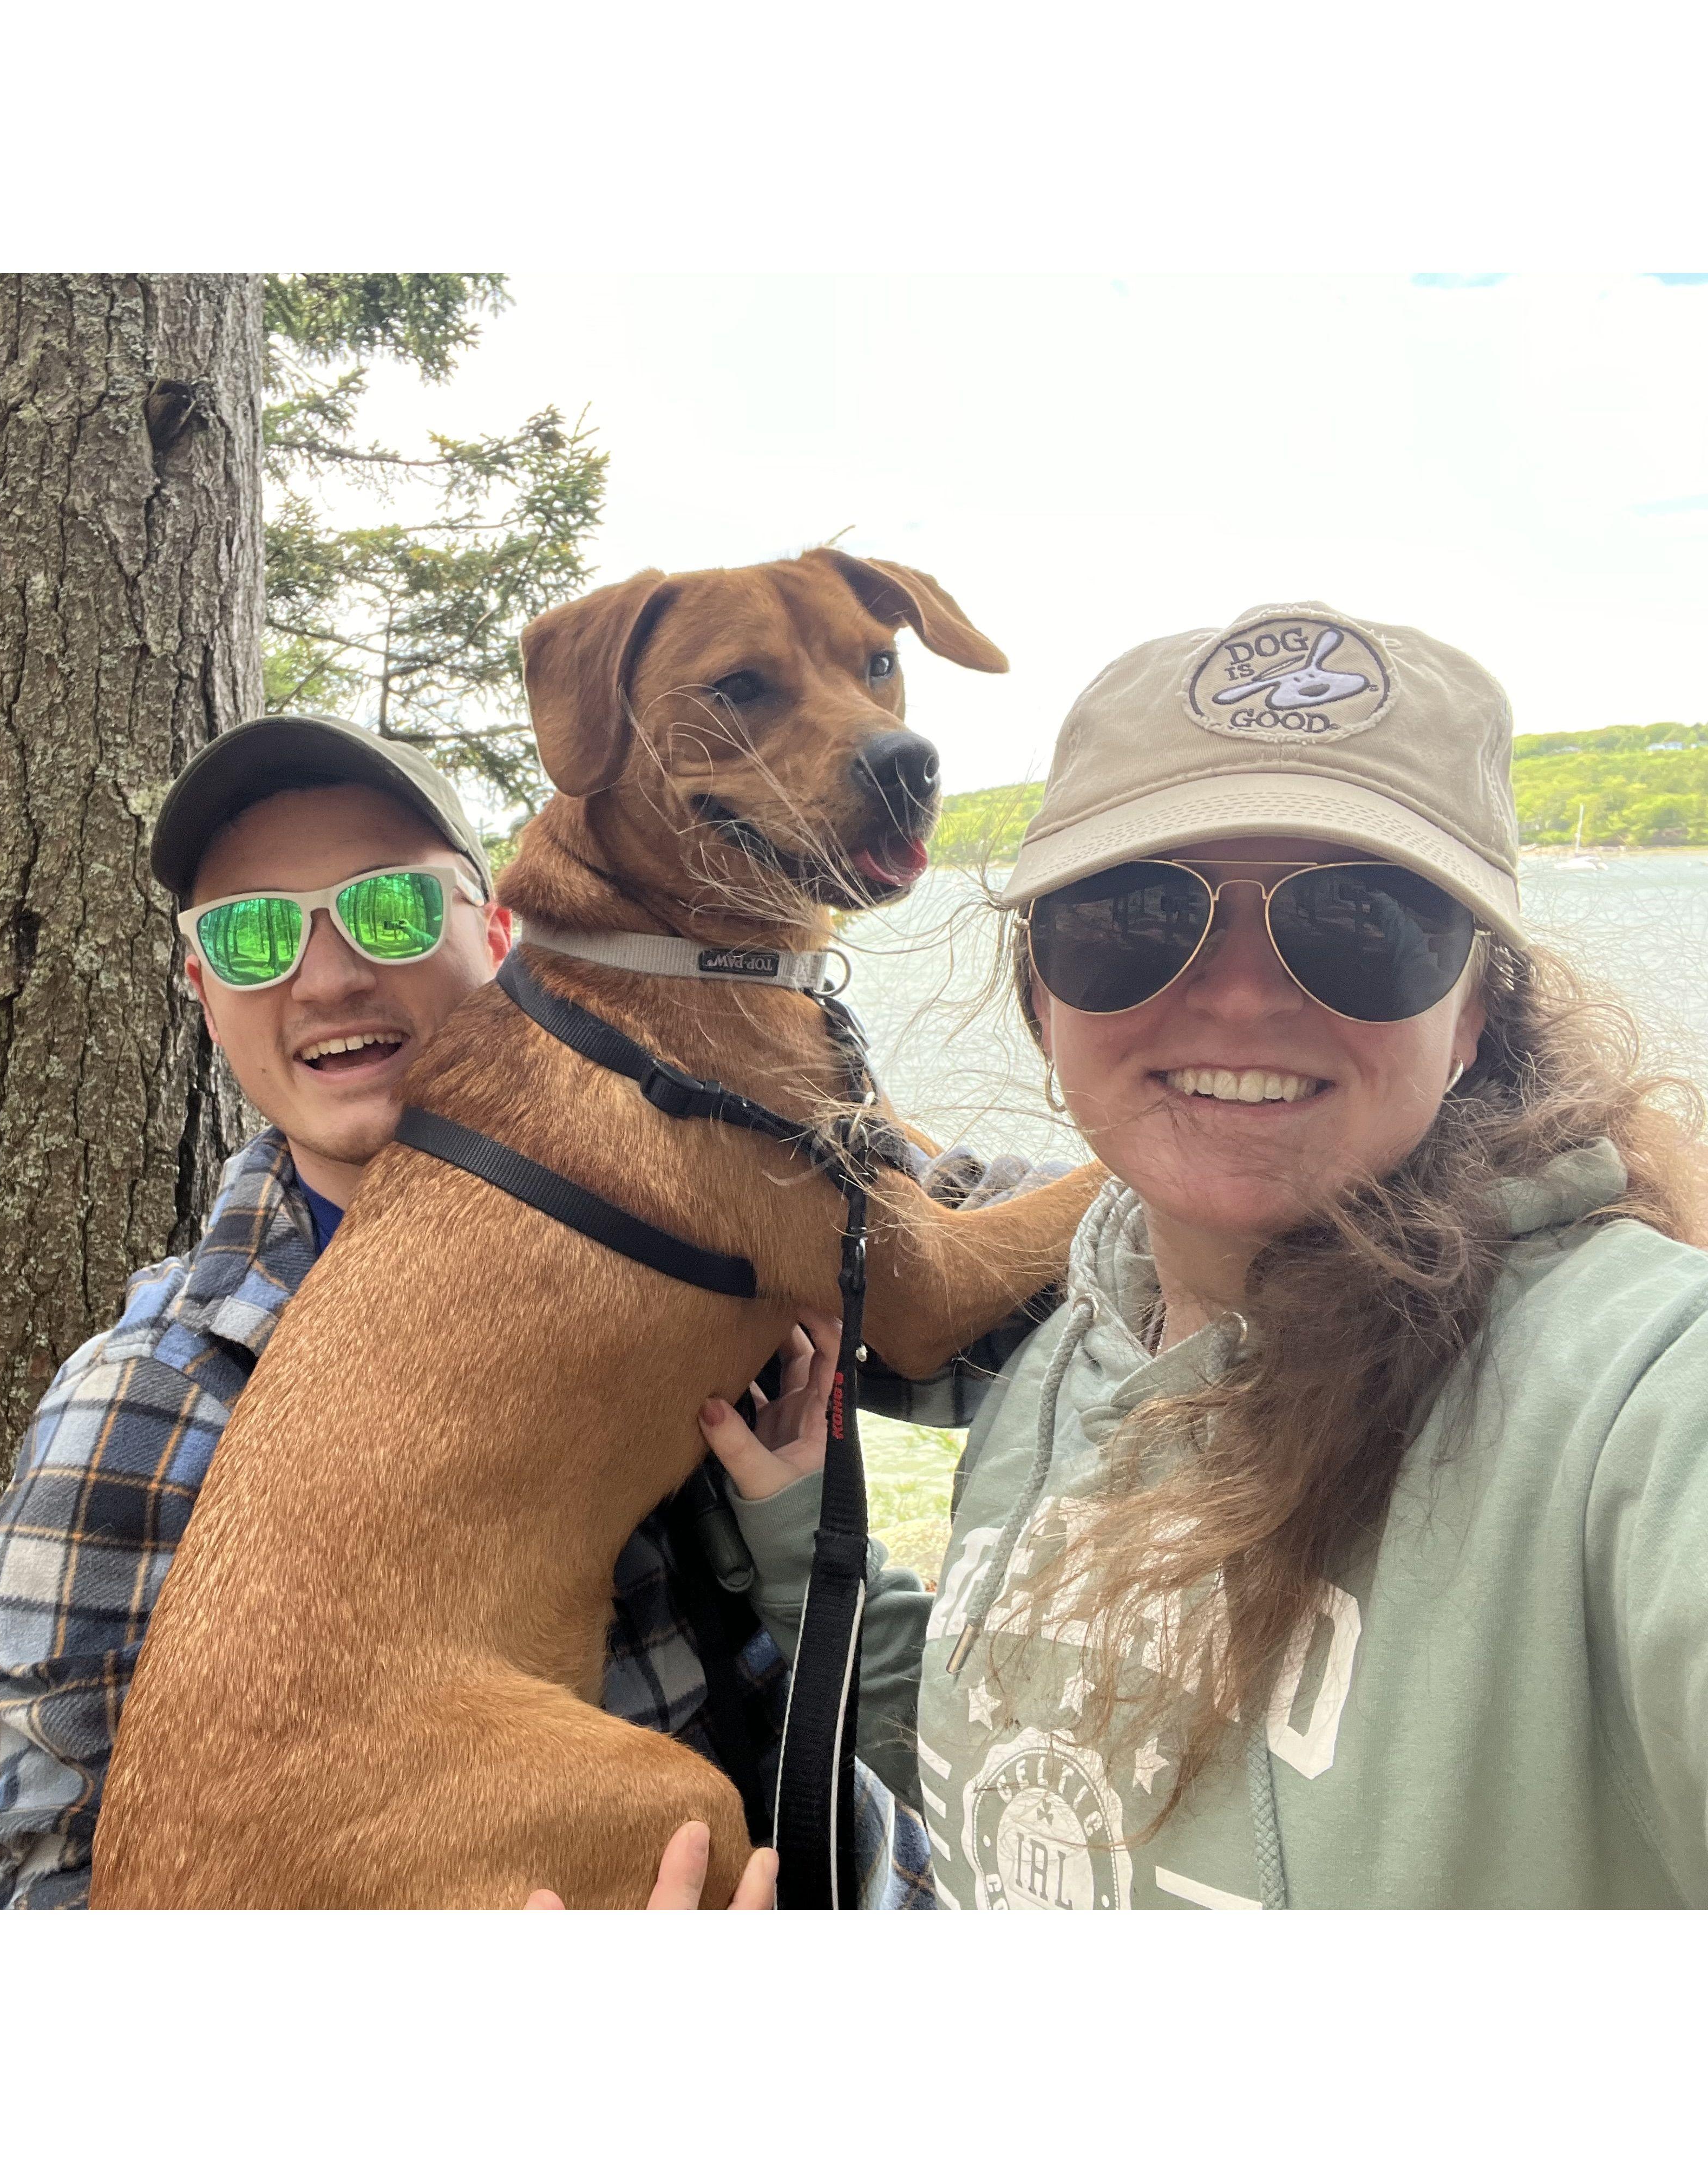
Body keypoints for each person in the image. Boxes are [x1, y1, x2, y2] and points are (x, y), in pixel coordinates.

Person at [706, 601, 1708, 1909]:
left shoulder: (1631, 1398)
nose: (1241, 997)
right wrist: (804, 1542)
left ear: (1473, 1010)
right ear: (1042, 999)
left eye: (1361, 921)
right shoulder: (1063, 1363)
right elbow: (1023, 1763)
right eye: (1133, 917)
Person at [0, 713, 932, 1907]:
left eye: (393, 909)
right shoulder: (147, 1404)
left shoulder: (702, 1195)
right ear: (205, 994)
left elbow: (961, 1251)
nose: (328, 978)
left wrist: (806, 1542)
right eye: (253, 935)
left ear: (503, 940)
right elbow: (60, 1886)